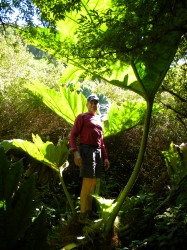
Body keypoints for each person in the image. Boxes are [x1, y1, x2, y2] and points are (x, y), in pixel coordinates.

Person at [70, 94, 110, 219]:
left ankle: (88, 211)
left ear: (98, 105)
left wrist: (105, 157)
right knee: (87, 181)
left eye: (95, 103)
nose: (93, 105)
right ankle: (82, 214)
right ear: (87, 104)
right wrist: (75, 152)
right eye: (91, 102)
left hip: (97, 150)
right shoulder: (82, 117)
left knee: (93, 181)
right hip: (86, 150)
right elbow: (72, 135)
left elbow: (101, 142)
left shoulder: (99, 120)